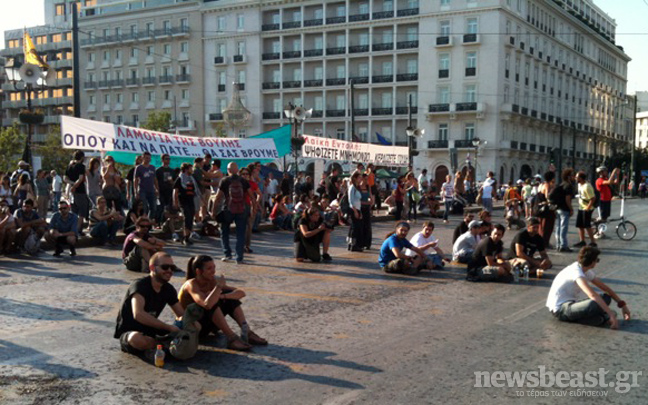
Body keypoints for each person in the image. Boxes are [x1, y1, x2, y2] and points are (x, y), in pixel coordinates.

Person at [179, 255, 267, 350]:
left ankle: (248, 332)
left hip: (208, 323)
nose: (213, 271)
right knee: (212, 301)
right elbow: (207, 304)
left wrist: (222, 296)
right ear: (198, 271)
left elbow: (241, 293)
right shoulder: (191, 284)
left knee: (227, 297)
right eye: (209, 268)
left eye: (214, 267)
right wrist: (218, 288)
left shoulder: (211, 280)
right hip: (194, 327)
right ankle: (231, 338)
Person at [114, 252, 192, 358]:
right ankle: (162, 346)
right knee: (136, 339)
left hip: (152, 330)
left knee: (192, 326)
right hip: (130, 332)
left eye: (172, 268)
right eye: (165, 267)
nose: (169, 271)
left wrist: (192, 326)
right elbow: (139, 314)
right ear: (152, 267)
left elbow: (181, 314)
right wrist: (168, 327)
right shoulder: (139, 285)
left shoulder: (168, 289)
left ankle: (160, 346)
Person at [547, 246, 630, 329]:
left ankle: (599, 318)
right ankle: (597, 318)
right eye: (597, 260)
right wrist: (610, 314)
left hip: (571, 304)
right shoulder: (576, 272)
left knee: (606, 298)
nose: (597, 262)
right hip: (561, 309)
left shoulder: (584, 270)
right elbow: (592, 295)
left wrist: (622, 305)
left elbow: (605, 288)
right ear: (591, 262)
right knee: (597, 304)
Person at [213, 162, 253, 264]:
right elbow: (252, 197)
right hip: (242, 209)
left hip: (228, 209)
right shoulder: (243, 181)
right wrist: (253, 209)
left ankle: (227, 254)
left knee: (224, 232)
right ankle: (239, 257)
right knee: (240, 234)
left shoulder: (225, 180)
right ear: (237, 170)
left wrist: (214, 211)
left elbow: (218, 198)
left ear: (228, 170)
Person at [173, 163, 199, 246]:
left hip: (191, 200)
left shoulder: (191, 179)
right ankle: (185, 237)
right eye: (190, 168)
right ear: (186, 169)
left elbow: (195, 190)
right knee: (187, 218)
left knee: (191, 218)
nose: (192, 170)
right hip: (183, 201)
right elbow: (175, 191)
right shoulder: (180, 179)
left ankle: (188, 236)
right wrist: (175, 202)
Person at [65, 150, 89, 235]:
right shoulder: (81, 166)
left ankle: (73, 229)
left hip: (72, 192)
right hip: (80, 191)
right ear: (82, 157)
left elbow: (65, 179)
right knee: (81, 213)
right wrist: (75, 186)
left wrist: (72, 185)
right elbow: (81, 178)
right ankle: (78, 230)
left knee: (74, 211)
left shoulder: (69, 166)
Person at [551, 168, 575, 253]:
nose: (574, 177)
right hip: (564, 209)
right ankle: (563, 246)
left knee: (558, 227)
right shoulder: (568, 186)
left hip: (558, 208)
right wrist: (571, 209)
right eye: (572, 175)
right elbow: (567, 199)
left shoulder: (561, 184)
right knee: (564, 228)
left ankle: (558, 245)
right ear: (568, 176)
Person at [573, 171, 597, 248]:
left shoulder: (587, 186)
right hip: (581, 207)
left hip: (587, 208)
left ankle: (593, 242)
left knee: (587, 225)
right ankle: (582, 241)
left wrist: (588, 208)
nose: (575, 178)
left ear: (581, 178)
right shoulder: (579, 184)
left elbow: (593, 198)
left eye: (577, 177)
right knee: (580, 225)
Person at [134, 151, 158, 217]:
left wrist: (157, 189)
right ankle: (143, 220)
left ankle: (149, 220)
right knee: (144, 207)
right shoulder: (139, 168)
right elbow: (135, 180)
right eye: (146, 158)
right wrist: (136, 191)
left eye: (149, 158)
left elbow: (155, 179)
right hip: (142, 190)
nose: (148, 159)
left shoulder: (152, 168)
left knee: (153, 207)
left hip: (151, 190)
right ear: (143, 158)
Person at [155, 154, 177, 227]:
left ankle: (166, 223)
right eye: (166, 159)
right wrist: (156, 190)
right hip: (161, 191)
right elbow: (155, 181)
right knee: (160, 207)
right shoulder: (158, 170)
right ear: (162, 160)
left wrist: (172, 182)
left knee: (169, 208)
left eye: (169, 159)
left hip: (169, 191)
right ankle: (158, 223)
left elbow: (175, 182)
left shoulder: (172, 170)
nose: (168, 160)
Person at [537, 171, 556, 248]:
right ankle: (545, 242)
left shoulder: (541, 185)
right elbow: (548, 197)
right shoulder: (547, 185)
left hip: (540, 208)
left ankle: (542, 241)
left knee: (541, 226)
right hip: (547, 209)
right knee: (547, 226)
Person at [347, 172, 363, 252]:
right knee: (354, 227)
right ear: (355, 178)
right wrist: (355, 211)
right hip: (353, 209)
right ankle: (353, 244)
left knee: (355, 227)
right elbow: (351, 200)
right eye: (359, 178)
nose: (361, 179)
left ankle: (353, 244)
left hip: (358, 208)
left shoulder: (357, 187)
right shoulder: (352, 187)